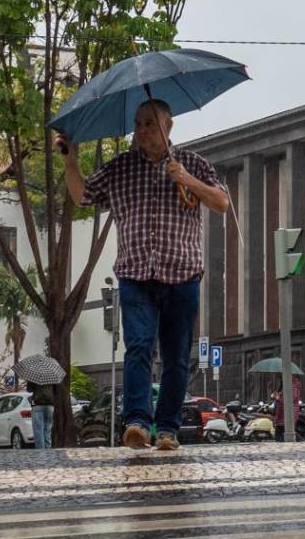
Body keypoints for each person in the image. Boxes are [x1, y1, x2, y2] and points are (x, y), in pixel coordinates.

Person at [60, 99, 230, 451]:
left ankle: (167, 429)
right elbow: (82, 196)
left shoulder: (193, 163)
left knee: (176, 357)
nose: (141, 130)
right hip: (135, 273)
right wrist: (70, 161)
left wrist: (185, 179)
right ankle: (137, 422)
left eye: (149, 124)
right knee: (137, 346)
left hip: (182, 275)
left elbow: (221, 202)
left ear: (169, 127)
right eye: (138, 124)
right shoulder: (120, 168)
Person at [26, 379, 55, 450]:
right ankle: (48, 450)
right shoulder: (52, 377)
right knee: (48, 429)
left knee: (38, 430)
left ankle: (40, 452)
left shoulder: (34, 376)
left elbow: (29, 389)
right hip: (50, 406)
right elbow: (56, 391)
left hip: (38, 405)